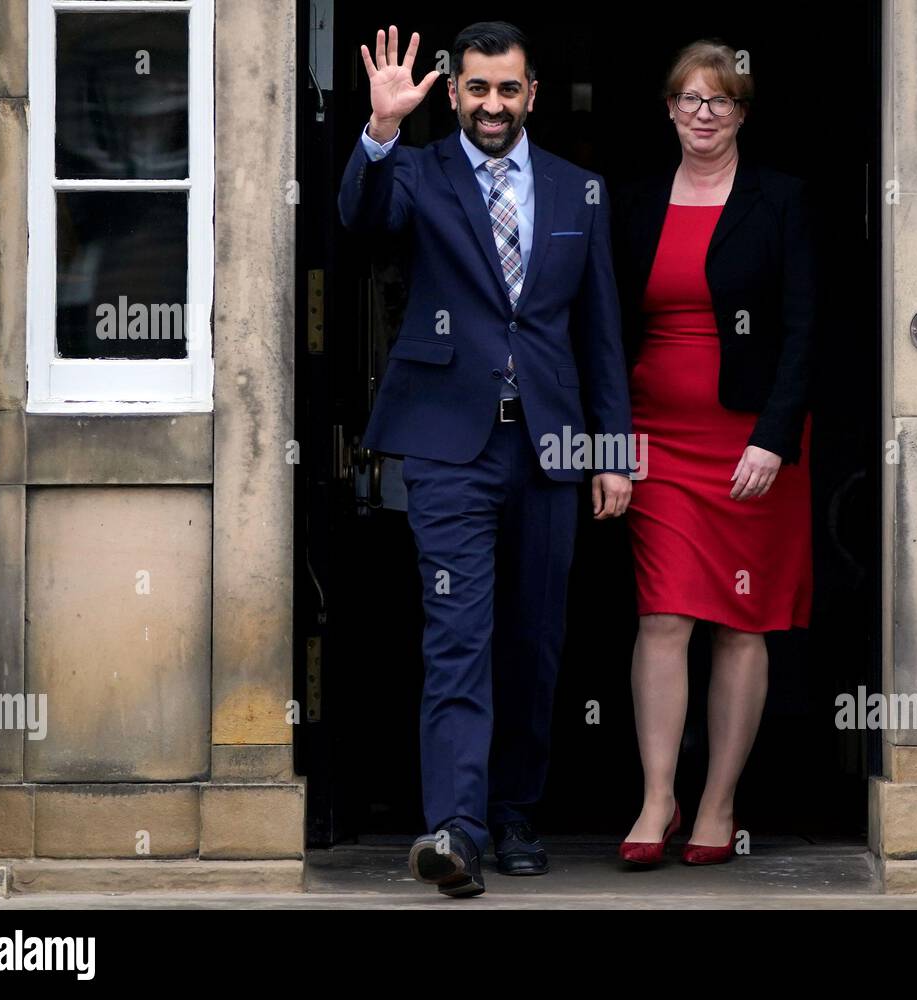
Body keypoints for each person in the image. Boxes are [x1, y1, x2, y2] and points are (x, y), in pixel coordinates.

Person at [338, 21, 633, 897]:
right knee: (458, 637)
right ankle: (458, 831)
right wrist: (382, 132)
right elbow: (360, 219)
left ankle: (514, 814)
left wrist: (611, 453)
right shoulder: (418, 174)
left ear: (531, 95)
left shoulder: (580, 191)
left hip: (550, 446)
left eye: (507, 90)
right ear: (453, 91)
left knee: (536, 642)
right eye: (476, 89)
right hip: (447, 447)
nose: (492, 106)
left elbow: (602, 334)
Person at [611, 40, 814, 866]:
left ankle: (719, 803)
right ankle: (657, 796)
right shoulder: (629, 203)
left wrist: (773, 435)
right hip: (653, 436)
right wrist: (609, 436)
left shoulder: (783, 200)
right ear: (668, 108)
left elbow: (805, 329)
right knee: (662, 614)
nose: (704, 113)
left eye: (721, 101)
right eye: (690, 99)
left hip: (751, 441)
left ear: (741, 114)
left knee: (740, 621)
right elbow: (603, 326)